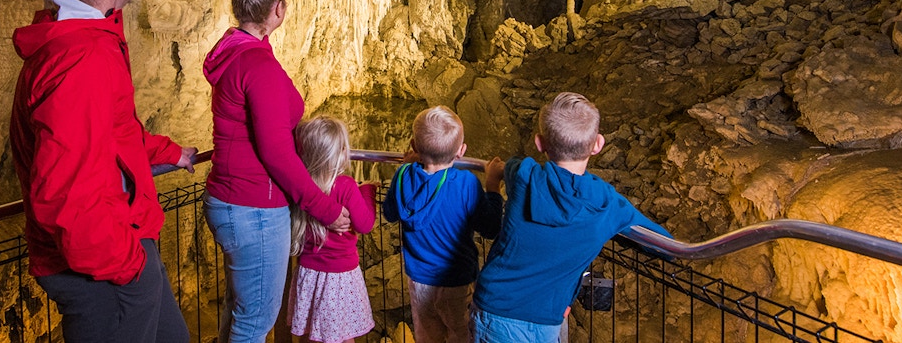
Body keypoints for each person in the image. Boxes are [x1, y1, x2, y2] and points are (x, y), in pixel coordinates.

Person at [8, 0, 197, 343]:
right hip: (104, 266)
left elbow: (109, 134)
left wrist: (170, 152)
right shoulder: (82, 57)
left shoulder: (81, 40)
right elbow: (65, 188)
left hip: (119, 245)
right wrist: (129, 265)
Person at [202, 0, 352, 343]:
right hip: (254, 207)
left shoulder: (235, 51)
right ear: (278, 9)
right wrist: (327, 209)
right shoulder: (257, 66)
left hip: (229, 198)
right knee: (256, 323)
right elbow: (277, 154)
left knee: (240, 311)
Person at [471, 92, 671, 343]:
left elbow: (508, 166)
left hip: (496, 309)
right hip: (546, 319)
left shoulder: (523, 174)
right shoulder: (608, 204)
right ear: (598, 144)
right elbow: (664, 244)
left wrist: (495, 174)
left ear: (540, 143)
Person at [383, 106, 506, 343]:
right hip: (457, 279)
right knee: (461, 334)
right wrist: (492, 185)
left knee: (428, 335)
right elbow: (490, 228)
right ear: (461, 151)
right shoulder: (466, 183)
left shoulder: (402, 176)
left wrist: (407, 168)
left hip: (419, 280)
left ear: (414, 146)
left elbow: (389, 213)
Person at [287, 117, 378, 343]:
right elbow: (365, 224)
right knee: (343, 334)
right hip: (340, 277)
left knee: (311, 334)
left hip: (308, 273)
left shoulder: (300, 186)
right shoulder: (345, 186)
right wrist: (368, 191)